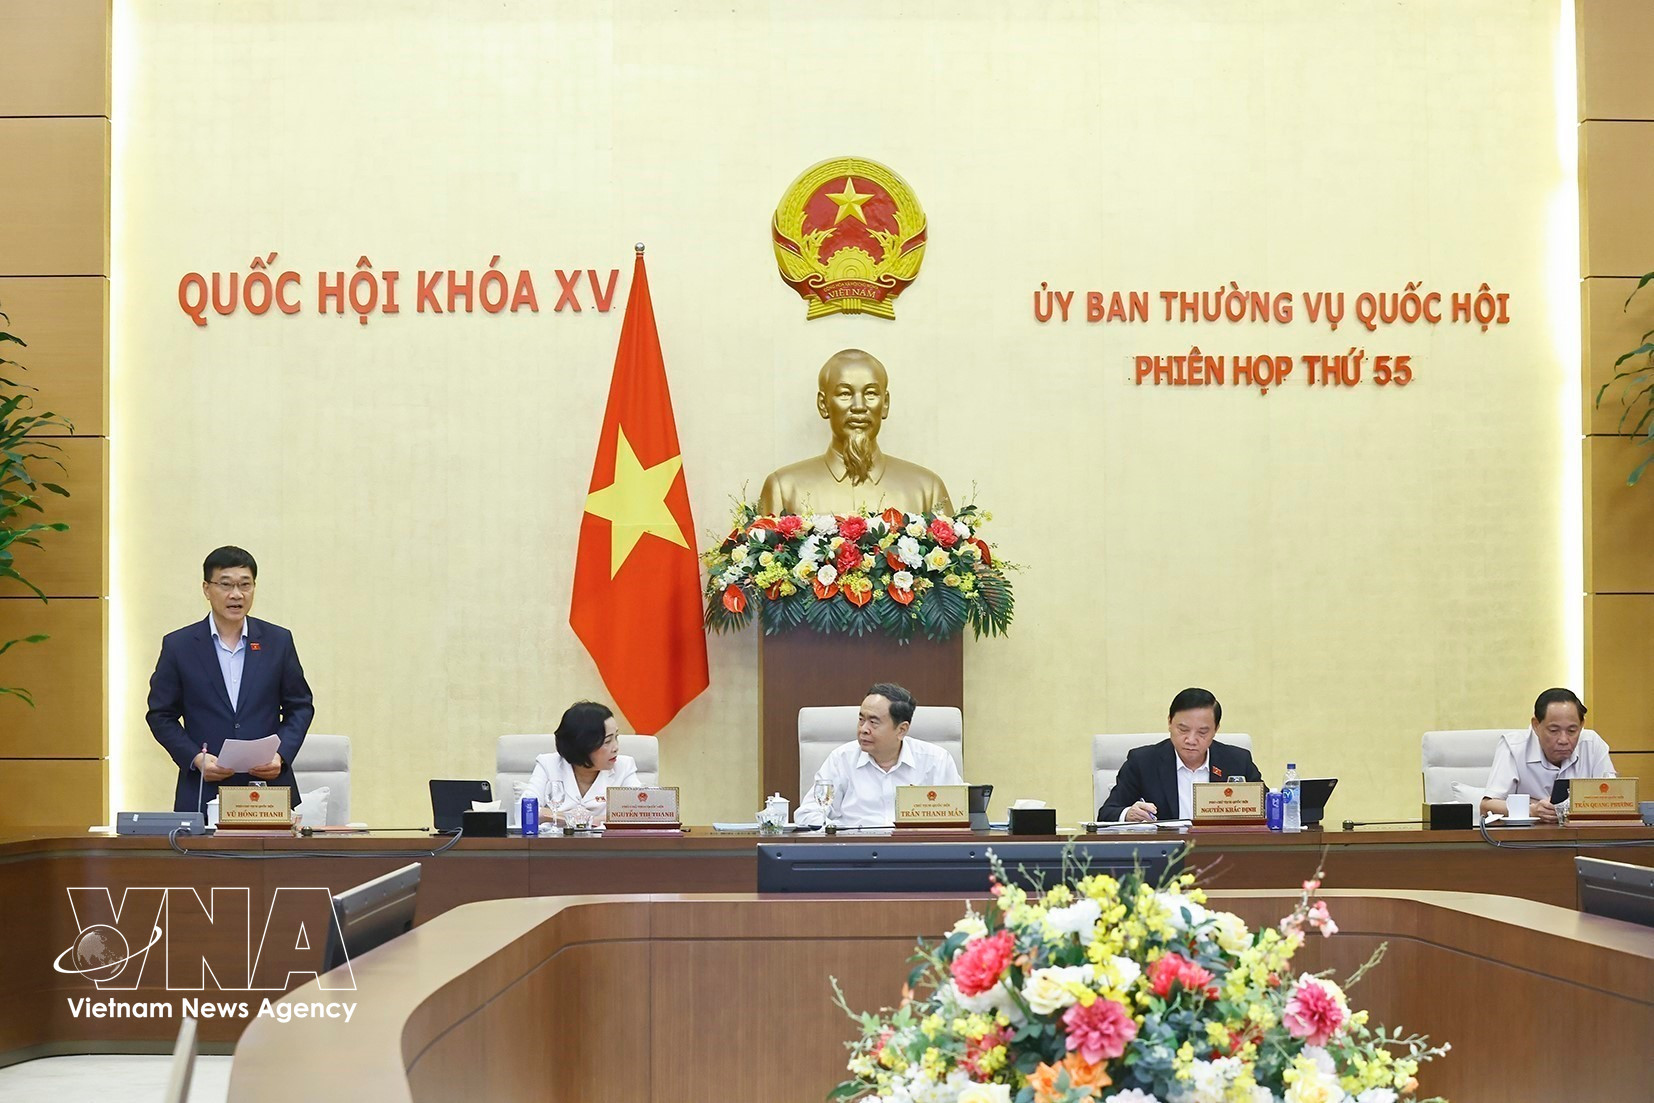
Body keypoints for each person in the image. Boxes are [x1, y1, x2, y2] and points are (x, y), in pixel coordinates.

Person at [146, 546, 314, 814]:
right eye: (226, 584)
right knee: (204, 858)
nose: (236, 594)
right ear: (206, 588)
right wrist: (195, 758)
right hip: (204, 789)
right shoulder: (179, 645)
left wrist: (280, 756)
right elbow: (160, 715)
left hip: (267, 788)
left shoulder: (278, 641)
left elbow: (300, 706)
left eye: (245, 585)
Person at [757, 349, 952, 516]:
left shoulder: (926, 490)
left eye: (870, 393)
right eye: (845, 393)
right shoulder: (784, 489)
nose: (859, 406)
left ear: (885, 404)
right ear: (823, 404)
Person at [795, 683, 964, 828]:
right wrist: (840, 831)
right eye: (861, 720)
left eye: (873, 722)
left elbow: (960, 816)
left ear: (901, 730)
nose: (863, 729)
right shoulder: (841, 760)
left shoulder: (936, 760)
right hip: (856, 856)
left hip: (915, 856)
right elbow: (807, 813)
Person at [1099, 688, 1264, 823]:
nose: (1191, 740)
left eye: (1202, 732)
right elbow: (1107, 813)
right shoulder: (1143, 762)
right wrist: (1128, 814)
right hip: (1166, 856)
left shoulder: (1237, 761)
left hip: (1222, 854)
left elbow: (1267, 809)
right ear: (1170, 722)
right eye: (1183, 730)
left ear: (1216, 729)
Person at [1480, 688, 1616, 823]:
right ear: (1536, 725)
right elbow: (1487, 806)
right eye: (1554, 730)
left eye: (1572, 731)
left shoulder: (1592, 744)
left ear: (1581, 725)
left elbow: (1614, 799)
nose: (1563, 740)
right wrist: (1531, 810)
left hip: (1581, 837)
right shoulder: (1514, 747)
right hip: (1529, 839)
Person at [528, 701, 640, 824]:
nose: (616, 747)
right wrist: (585, 820)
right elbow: (526, 810)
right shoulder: (548, 764)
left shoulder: (624, 766)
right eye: (607, 741)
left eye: (616, 737)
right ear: (583, 744)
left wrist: (553, 816)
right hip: (557, 842)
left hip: (606, 843)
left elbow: (638, 814)